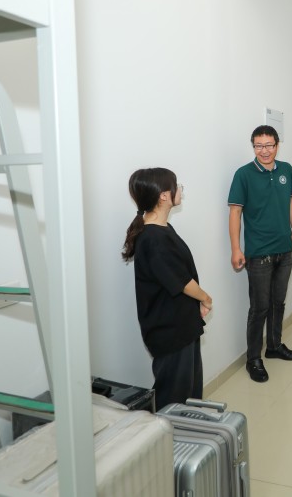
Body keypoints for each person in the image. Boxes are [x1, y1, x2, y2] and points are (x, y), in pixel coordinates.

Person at [122, 168, 212, 409]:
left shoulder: (162, 229)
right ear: (163, 195)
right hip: (170, 331)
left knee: (190, 394)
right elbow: (181, 281)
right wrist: (206, 298)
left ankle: (190, 431)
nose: (180, 189)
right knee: (173, 399)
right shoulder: (153, 238)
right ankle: (168, 434)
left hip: (182, 324)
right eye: (176, 185)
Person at [228, 125, 292, 383]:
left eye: (269, 145)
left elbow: (289, 201)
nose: (265, 151)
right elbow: (235, 212)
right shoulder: (243, 174)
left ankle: (274, 346)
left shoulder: (286, 169)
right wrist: (236, 248)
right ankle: (253, 359)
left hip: (284, 250)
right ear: (254, 147)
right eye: (259, 146)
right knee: (259, 308)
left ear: (277, 145)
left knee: (278, 303)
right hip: (258, 253)